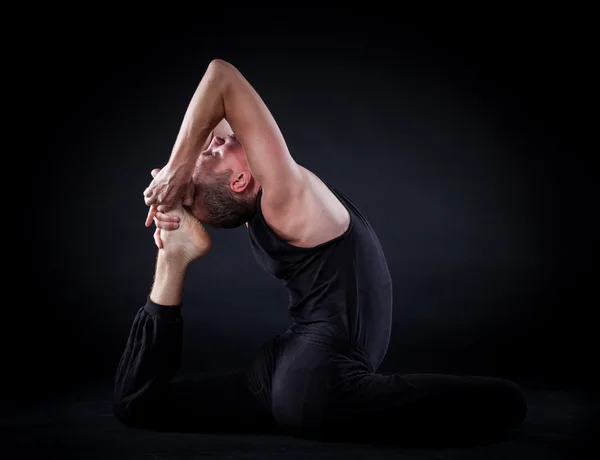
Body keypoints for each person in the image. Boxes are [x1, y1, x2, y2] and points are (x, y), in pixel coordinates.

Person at [113, 59, 527, 443]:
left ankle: (175, 256)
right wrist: (179, 183)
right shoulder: (276, 196)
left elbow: (217, 95)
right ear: (239, 181)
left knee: (142, 405)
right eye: (216, 149)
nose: (217, 138)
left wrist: (177, 174)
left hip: (304, 372)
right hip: (306, 374)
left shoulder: (282, 199)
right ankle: (175, 257)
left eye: (215, 144)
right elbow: (217, 92)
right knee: (138, 405)